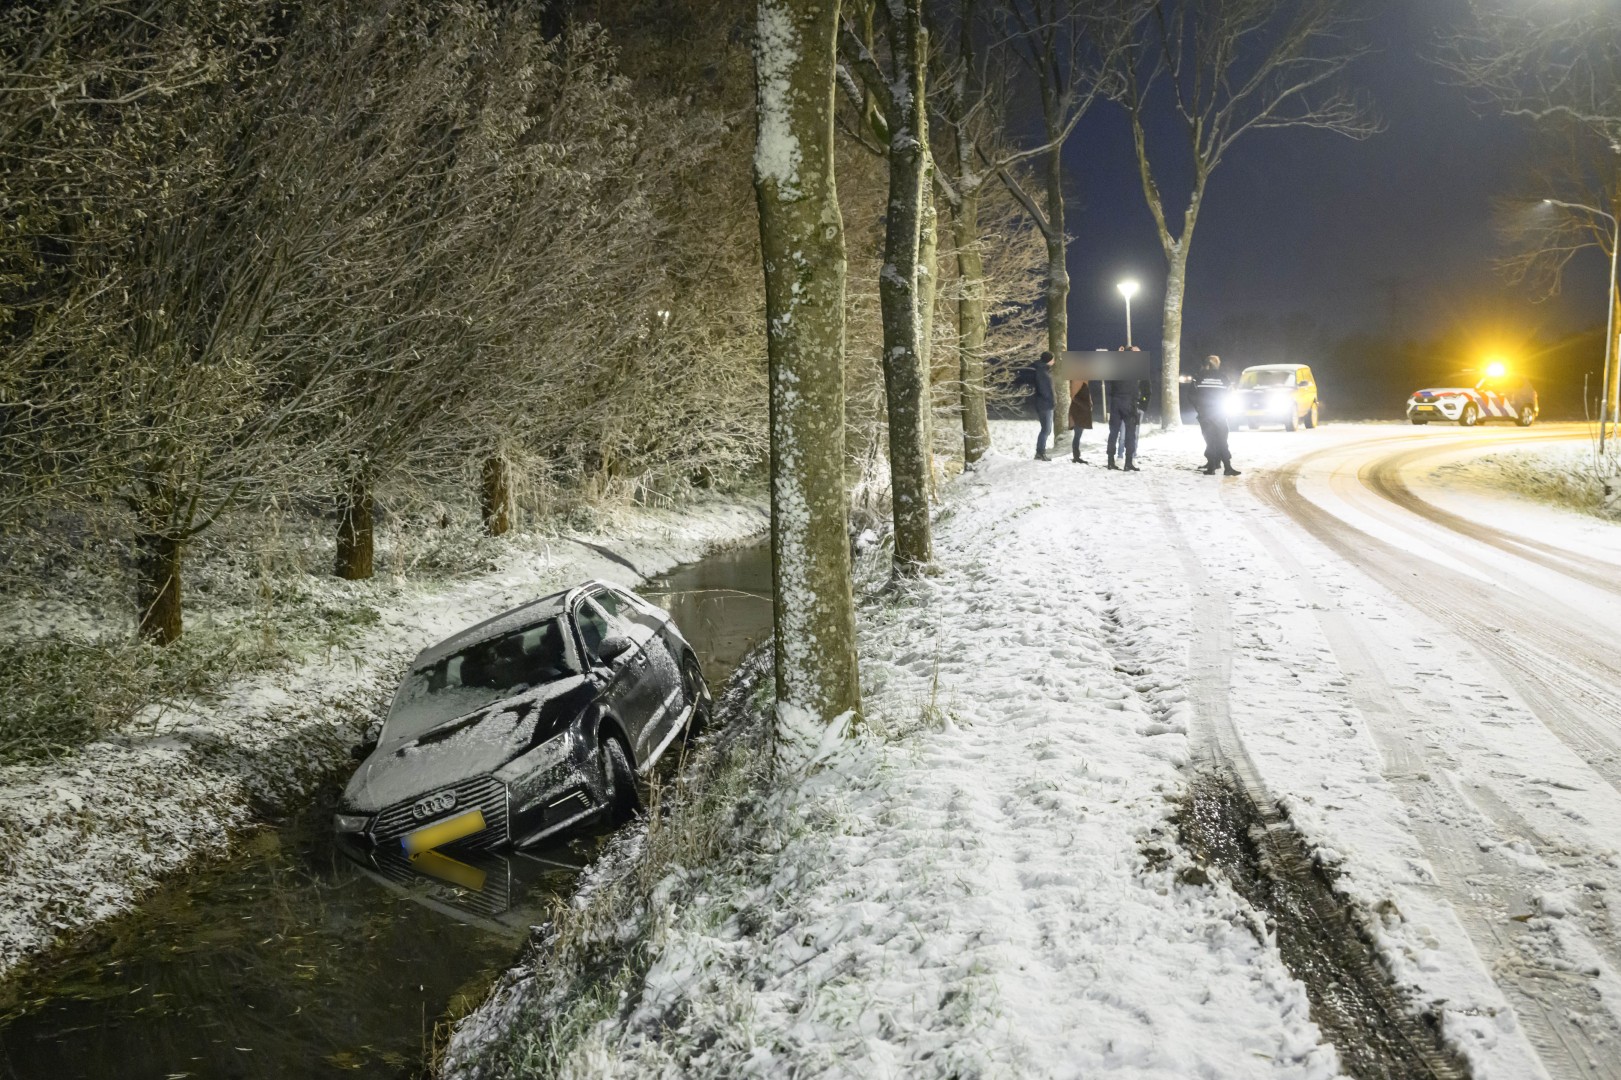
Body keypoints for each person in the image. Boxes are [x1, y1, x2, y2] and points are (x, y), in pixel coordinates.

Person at [1105, 346, 1150, 471]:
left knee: (1113, 433)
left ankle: (1110, 461)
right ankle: (1128, 462)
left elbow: (1108, 383)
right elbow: (1139, 388)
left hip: (1115, 402)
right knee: (1130, 433)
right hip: (1129, 403)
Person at [1193, 355, 1240, 476]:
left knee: (1210, 440)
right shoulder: (1223, 378)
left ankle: (1212, 467)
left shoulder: (1199, 377)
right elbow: (1231, 394)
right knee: (1222, 440)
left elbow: (1191, 395)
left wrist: (1199, 408)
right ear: (1216, 364)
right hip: (1220, 414)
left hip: (1205, 414)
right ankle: (1227, 467)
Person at [1013, 350, 1057, 460]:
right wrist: (1051, 401)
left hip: (1043, 403)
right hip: (1045, 404)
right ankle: (1040, 453)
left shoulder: (1042, 369)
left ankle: (1040, 452)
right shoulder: (1042, 371)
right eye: (1053, 359)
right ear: (1049, 360)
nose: (1054, 361)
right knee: (1046, 429)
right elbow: (1044, 389)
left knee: (1046, 429)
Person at [1068, 378, 1093, 463]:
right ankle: (1076, 456)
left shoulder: (1083, 381)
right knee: (1077, 435)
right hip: (1078, 412)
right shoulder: (1077, 381)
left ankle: (1076, 456)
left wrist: (1089, 403)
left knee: (1078, 435)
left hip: (1081, 412)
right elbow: (1074, 397)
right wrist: (1086, 406)